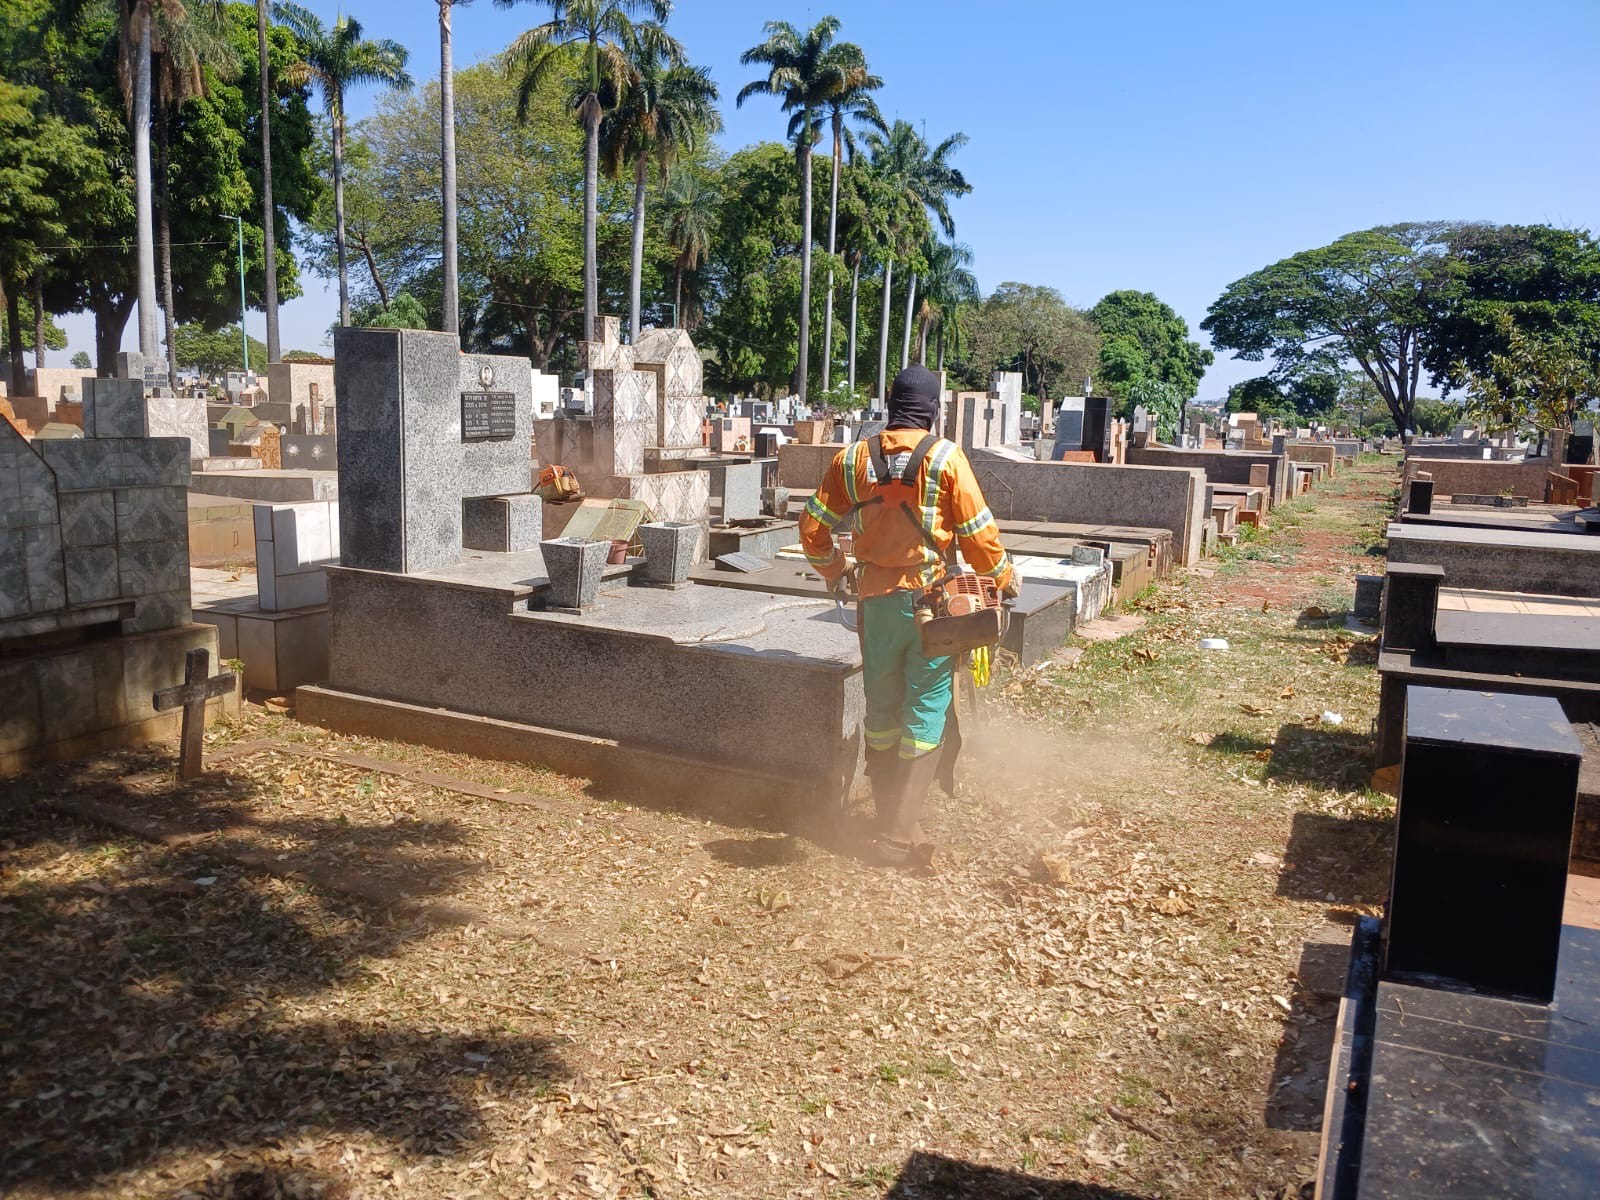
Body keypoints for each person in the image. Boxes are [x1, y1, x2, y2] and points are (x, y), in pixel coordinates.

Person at [798, 365, 1018, 866]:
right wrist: (1005, 578)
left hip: (875, 603)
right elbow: (979, 537)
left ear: (890, 403)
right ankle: (898, 838)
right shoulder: (946, 458)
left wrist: (835, 569)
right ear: (933, 409)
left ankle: (888, 814)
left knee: (881, 707)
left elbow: (812, 528)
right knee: (927, 706)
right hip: (933, 607)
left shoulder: (853, 458)